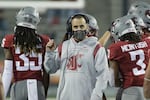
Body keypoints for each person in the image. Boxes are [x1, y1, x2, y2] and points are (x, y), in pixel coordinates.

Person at [44, 13, 109, 100]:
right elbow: (50, 69)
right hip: (65, 96)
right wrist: (49, 53)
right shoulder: (64, 46)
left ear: (87, 27)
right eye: (76, 27)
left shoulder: (96, 47)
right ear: (71, 28)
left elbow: (103, 76)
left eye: (82, 26)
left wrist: (96, 95)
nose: (79, 29)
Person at [1, 7, 50, 100]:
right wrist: (44, 93)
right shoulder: (44, 40)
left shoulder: (10, 40)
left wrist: (2, 94)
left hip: (18, 86)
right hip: (37, 85)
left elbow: (8, 71)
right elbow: (46, 72)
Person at [108, 15, 150, 100]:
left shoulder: (115, 48)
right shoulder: (147, 41)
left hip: (130, 90)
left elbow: (113, 80)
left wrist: (121, 83)